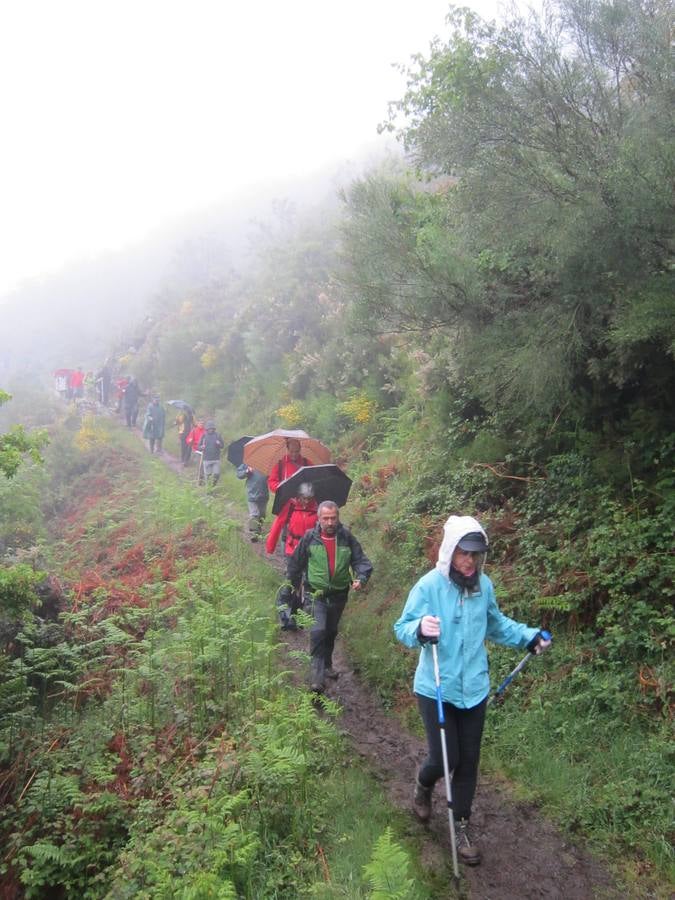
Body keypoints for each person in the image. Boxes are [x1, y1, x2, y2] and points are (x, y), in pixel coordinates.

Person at [393, 515, 552, 866]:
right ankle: (423, 785)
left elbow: (496, 624)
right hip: (436, 688)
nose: (469, 561)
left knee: (468, 762)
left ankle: (461, 825)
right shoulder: (429, 586)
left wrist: (528, 636)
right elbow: (402, 628)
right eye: (464, 554)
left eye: (475, 555)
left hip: (474, 688)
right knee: (443, 757)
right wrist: (420, 627)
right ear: (450, 552)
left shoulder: (484, 586)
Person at [287, 500, 373, 691]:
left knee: (331, 632)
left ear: (338, 518)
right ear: (319, 519)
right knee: (318, 632)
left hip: (339, 595)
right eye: (326, 518)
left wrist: (361, 577)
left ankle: (326, 665)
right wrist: (289, 587)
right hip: (315, 594)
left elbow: (361, 561)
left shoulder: (346, 538)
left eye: (333, 518)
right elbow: (295, 563)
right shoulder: (310, 538)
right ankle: (316, 680)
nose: (330, 522)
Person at [236, 463, 270, 540]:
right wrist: (247, 471)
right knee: (254, 514)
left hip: (263, 495)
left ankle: (258, 529)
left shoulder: (267, 464)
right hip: (252, 494)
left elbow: (272, 477)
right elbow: (239, 474)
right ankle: (254, 534)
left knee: (262, 514)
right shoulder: (248, 463)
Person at [197, 420, 224, 488]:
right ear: (207, 428)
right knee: (208, 476)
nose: (211, 430)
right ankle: (208, 491)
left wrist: (219, 444)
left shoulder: (218, 435)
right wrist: (201, 447)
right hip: (206, 459)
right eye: (209, 428)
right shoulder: (204, 435)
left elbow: (222, 446)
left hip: (216, 459)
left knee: (216, 474)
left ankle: (213, 486)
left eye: (212, 428)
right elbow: (198, 446)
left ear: (214, 428)